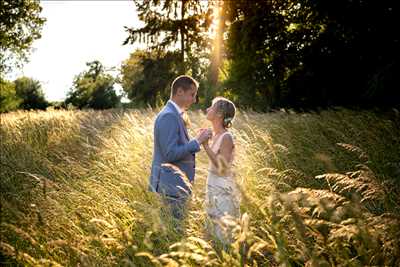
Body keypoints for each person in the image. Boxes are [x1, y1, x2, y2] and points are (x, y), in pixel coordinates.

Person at [149, 75, 211, 222]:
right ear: (180, 92)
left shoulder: (175, 114)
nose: (194, 99)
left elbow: (176, 146)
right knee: (173, 233)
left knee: (173, 231)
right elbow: (170, 154)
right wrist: (197, 141)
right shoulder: (169, 116)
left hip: (174, 185)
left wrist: (195, 139)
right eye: (192, 94)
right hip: (171, 186)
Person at [202, 97, 240, 246]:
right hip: (212, 187)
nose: (207, 110)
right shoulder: (216, 135)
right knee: (211, 234)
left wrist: (206, 146)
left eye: (211, 107)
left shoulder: (227, 137)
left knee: (223, 237)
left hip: (222, 192)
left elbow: (222, 168)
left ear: (219, 114)